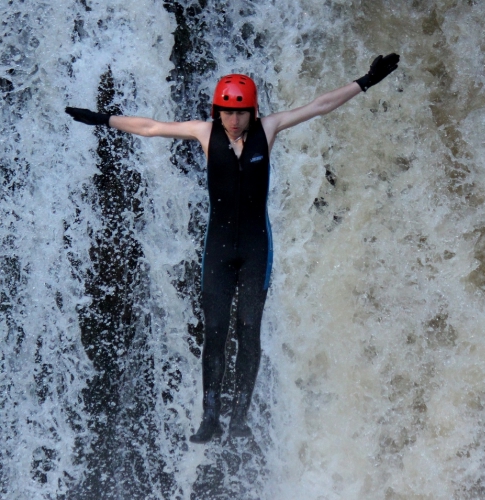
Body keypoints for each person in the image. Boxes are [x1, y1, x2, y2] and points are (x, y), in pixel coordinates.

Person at [65, 53, 400, 443]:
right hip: (219, 248)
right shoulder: (205, 133)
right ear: (217, 110)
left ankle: (240, 415)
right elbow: (151, 127)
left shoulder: (268, 129)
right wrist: (102, 119)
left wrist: (366, 80)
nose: (234, 120)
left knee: (249, 329)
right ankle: (210, 416)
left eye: (241, 113)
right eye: (227, 112)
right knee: (215, 330)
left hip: (257, 245)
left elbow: (319, 105)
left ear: (253, 112)